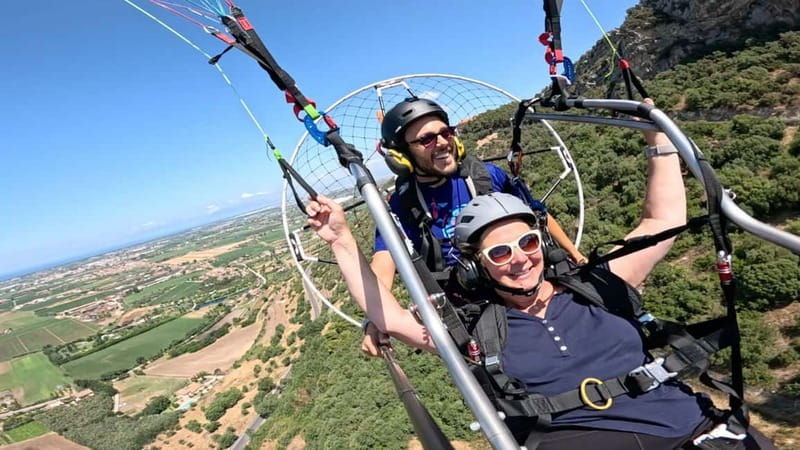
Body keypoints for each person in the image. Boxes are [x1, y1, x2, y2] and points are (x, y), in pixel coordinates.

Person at [306, 100, 776, 449]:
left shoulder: (587, 285)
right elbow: (389, 275)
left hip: (691, 428)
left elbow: (658, 221)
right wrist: (342, 243)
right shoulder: (476, 329)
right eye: (500, 252)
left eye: (528, 245)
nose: (519, 258)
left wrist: (659, 143)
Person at [363, 97, 586, 355]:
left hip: (523, 283)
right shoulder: (404, 204)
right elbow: (385, 259)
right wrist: (374, 319)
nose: (442, 142)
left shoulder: (485, 176)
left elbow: (539, 215)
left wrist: (576, 256)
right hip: (473, 313)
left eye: (446, 132)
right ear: (402, 156)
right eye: (427, 139)